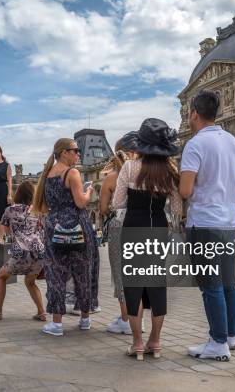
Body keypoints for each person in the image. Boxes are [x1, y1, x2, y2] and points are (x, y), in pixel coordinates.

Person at [179, 90, 235, 361]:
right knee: (228, 283)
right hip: (228, 224)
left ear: (193, 113)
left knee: (210, 284)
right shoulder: (231, 140)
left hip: (204, 223)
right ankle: (231, 335)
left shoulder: (195, 145)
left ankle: (217, 342)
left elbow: (186, 190)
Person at [113, 119, 183, 360]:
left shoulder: (130, 168)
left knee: (133, 286)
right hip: (158, 229)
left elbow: (117, 203)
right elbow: (176, 208)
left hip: (133, 227)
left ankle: (138, 343)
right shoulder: (169, 171)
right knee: (156, 285)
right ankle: (156, 341)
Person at [33, 138, 97, 337]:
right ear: (63, 152)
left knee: (56, 275)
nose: (78, 154)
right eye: (75, 151)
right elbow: (80, 202)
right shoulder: (72, 173)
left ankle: (56, 324)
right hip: (77, 226)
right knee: (83, 272)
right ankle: (85, 320)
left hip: (54, 227)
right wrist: (89, 191)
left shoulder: (48, 175)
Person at [99, 134, 137, 335]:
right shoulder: (145, 173)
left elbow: (104, 208)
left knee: (120, 273)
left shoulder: (111, 178)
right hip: (143, 226)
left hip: (120, 226)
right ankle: (137, 319)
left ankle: (126, 319)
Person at [0, 181, 46, 321]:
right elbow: (42, 231)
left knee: (1, 276)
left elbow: (5, 229)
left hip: (20, 250)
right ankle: (41, 312)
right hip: (39, 251)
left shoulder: (9, 210)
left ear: (18, 194)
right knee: (30, 281)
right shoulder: (37, 210)